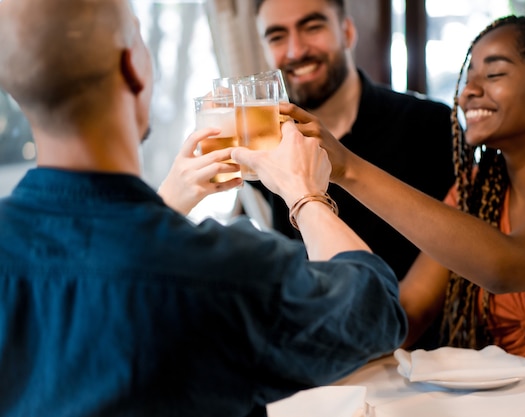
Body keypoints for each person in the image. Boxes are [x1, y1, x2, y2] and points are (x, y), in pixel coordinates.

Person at [0, 1, 407, 416]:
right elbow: (374, 314)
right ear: (133, 68)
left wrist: (164, 205)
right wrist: (304, 195)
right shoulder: (225, 270)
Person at [276, 14, 525, 380]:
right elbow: (409, 310)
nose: (468, 92)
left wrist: (347, 168)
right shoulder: (473, 193)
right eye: (468, 77)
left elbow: (507, 265)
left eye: (493, 75)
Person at [250, 0, 455, 349]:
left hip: (420, 367)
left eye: (312, 27)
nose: (296, 50)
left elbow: (451, 264)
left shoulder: (430, 125)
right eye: (277, 36)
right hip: (315, 366)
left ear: (346, 30)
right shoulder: (268, 145)